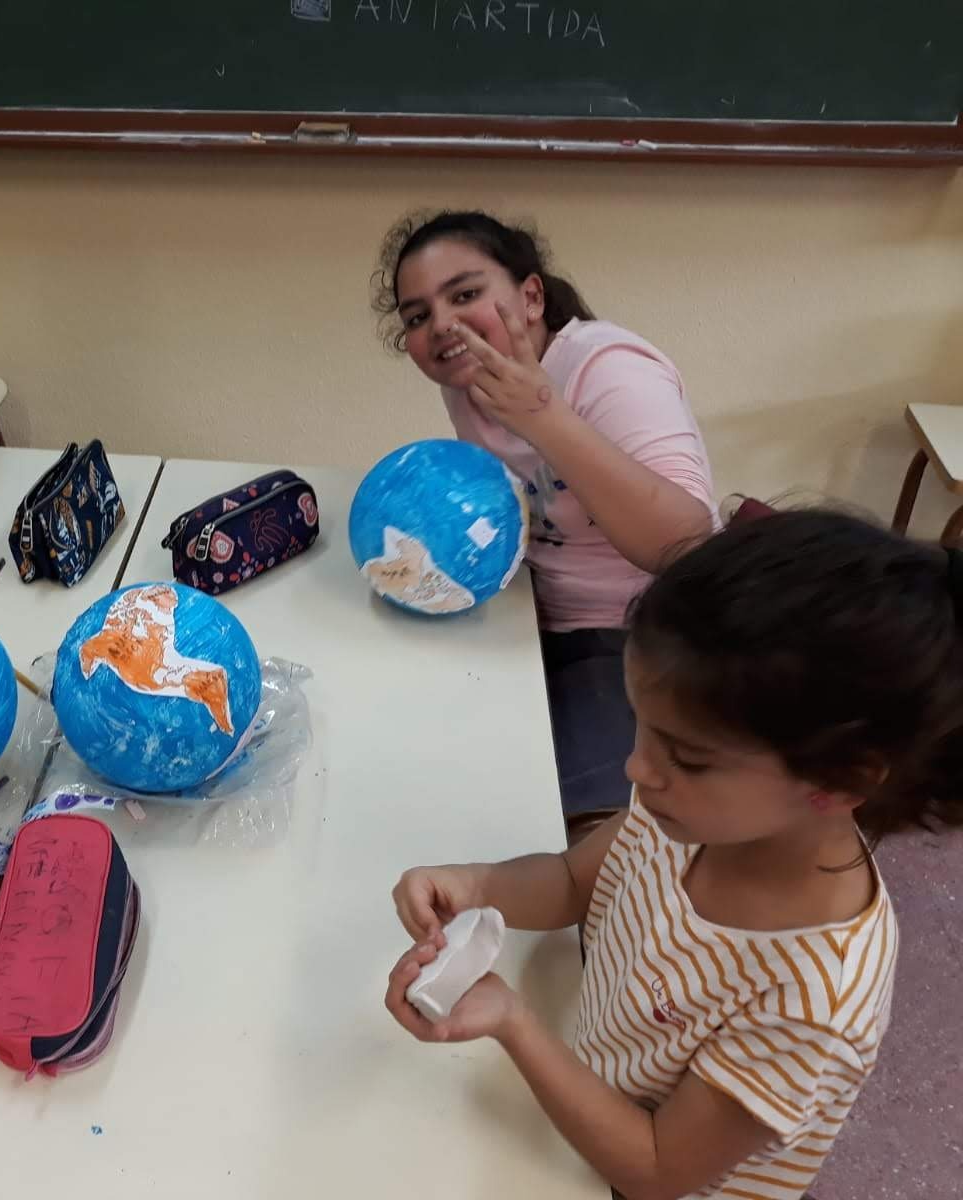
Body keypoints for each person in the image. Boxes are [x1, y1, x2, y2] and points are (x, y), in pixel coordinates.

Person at [384, 509, 963, 1200]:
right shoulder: (688, 814)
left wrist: (513, 1022)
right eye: (644, 729)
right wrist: (474, 885)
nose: (636, 769)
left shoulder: (815, 1001)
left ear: (839, 782)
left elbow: (657, 1170)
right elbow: (573, 881)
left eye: (687, 756)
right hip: (596, 1081)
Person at [373, 211, 716, 829]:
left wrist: (543, 417)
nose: (442, 324)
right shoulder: (468, 382)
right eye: (418, 317)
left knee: (571, 829)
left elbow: (686, 544)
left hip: (638, 632)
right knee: (409, 760)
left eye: (464, 295)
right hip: (523, 611)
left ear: (531, 297)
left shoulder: (608, 368)